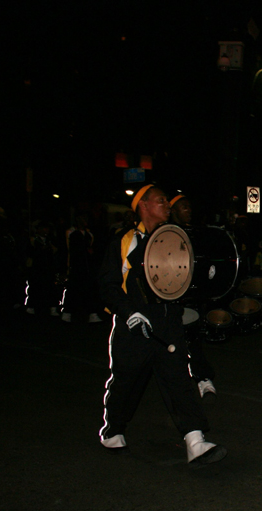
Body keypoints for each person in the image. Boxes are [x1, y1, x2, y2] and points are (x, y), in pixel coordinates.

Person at [97, 184, 226, 465]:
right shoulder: (126, 240)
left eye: (167, 201)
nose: (167, 205)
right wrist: (128, 311)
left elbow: (183, 279)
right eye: (160, 201)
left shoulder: (175, 238)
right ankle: (113, 430)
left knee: (179, 378)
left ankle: (195, 441)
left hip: (167, 321)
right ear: (143, 205)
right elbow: (108, 284)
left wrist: (209, 275)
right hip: (136, 323)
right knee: (127, 381)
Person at [170, 193, 217, 399]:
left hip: (191, 295)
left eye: (189, 207)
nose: (188, 210)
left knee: (192, 338)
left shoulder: (196, 232)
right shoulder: (167, 233)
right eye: (183, 207)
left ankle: (202, 378)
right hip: (171, 295)